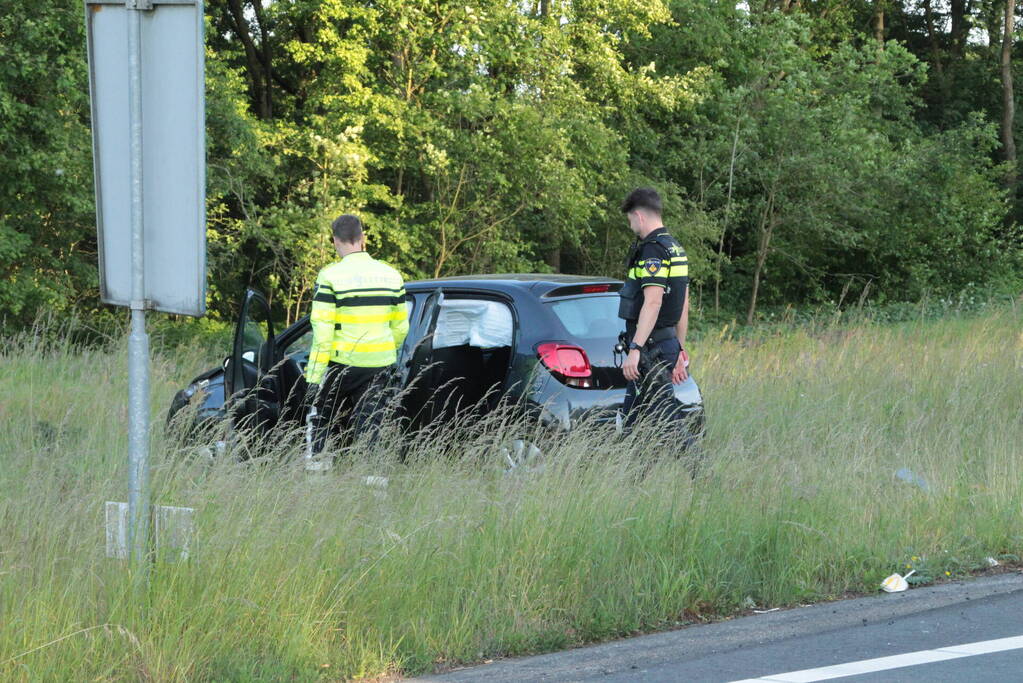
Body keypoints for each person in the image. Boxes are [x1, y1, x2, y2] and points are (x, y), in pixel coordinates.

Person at [305, 214, 409, 457]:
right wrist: (385, 350)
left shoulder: (330, 276)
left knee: (321, 423)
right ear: (362, 238)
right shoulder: (392, 275)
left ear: (335, 241)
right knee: (371, 429)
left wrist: (314, 378)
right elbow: (401, 327)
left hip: (341, 364)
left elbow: (322, 333)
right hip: (379, 364)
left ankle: (317, 477)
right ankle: (372, 486)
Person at [617, 187, 690, 431]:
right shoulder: (675, 248)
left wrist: (635, 349)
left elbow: (653, 301)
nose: (631, 227)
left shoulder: (653, 250)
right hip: (666, 344)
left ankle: (700, 469)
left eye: (630, 221)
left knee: (668, 424)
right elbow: (683, 305)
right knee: (632, 424)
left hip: (652, 349)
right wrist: (680, 349)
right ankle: (637, 470)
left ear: (639, 216)